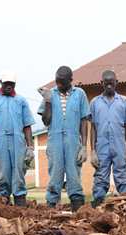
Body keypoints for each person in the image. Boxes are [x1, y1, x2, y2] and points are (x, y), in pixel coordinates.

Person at [0, 72, 35, 207]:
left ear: (15, 84)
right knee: (2, 175)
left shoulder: (21, 101)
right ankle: (2, 208)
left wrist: (30, 147)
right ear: (1, 83)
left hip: (18, 142)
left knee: (19, 174)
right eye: (6, 83)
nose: (9, 86)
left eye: (11, 84)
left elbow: (27, 125)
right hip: (0, 142)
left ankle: (20, 207)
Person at [38, 66, 90, 212]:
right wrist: (48, 101)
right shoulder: (50, 94)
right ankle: (52, 208)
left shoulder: (79, 94)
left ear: (70, 81)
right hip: (54, 141)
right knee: (55, 175)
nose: (59, 85)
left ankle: (78, 209)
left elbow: (84, 121)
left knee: (74, 175)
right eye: (57, 81)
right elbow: (46, 121)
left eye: (62, 82)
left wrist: (84, 147)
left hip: (73, 141)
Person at [90, 70, 126, 207]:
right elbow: (93, 128)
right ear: (101, 83)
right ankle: (98, 206)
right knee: (100, 179)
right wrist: (92, 151)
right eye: (106, 83)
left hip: (119, 147)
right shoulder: (95, 103)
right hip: (101, 148)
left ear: (116, 82)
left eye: (112, 83)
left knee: (122, 177)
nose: (109, 86)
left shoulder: (124, 101)